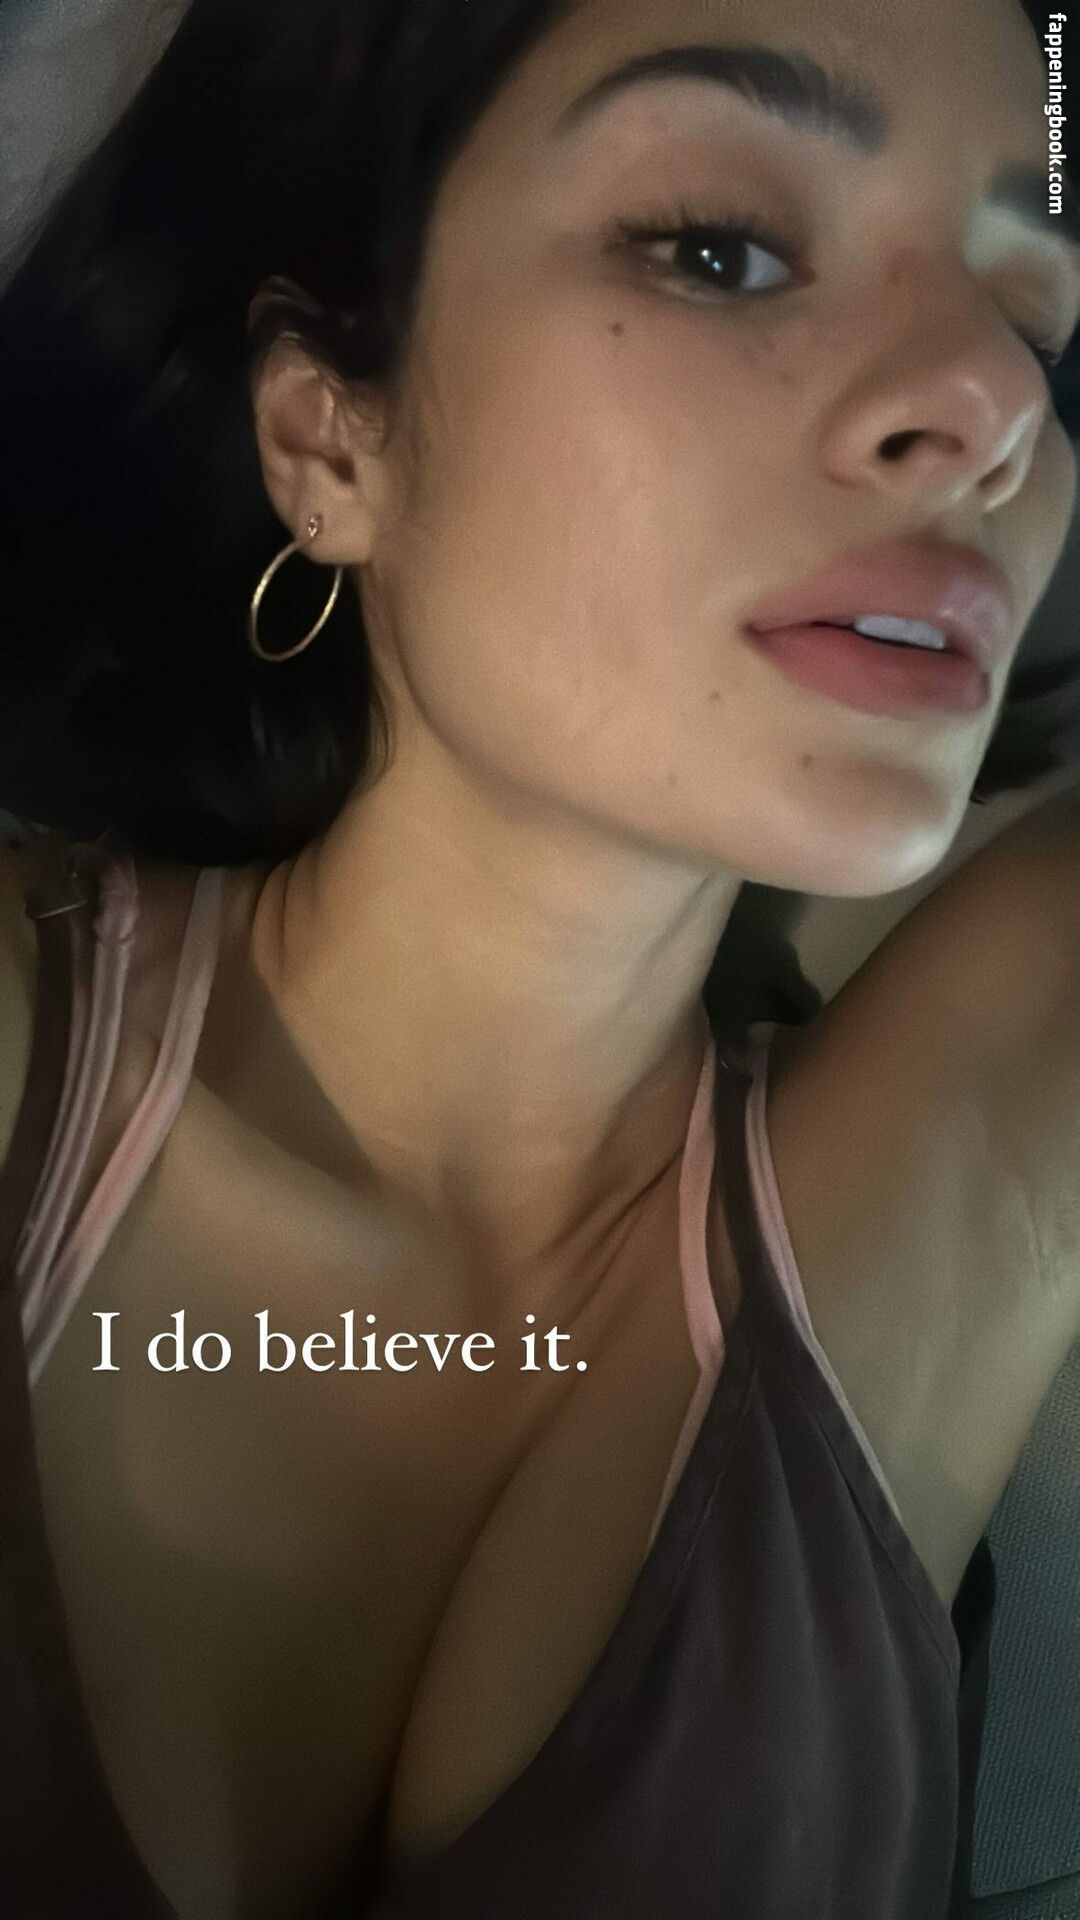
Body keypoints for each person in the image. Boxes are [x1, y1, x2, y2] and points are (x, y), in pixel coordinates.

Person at [0, 0, 1078, 1914]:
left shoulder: (978, 1106)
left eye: (1035, 318)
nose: (992, 400)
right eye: (720, 250)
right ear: (327, 433)